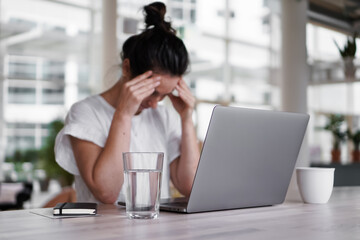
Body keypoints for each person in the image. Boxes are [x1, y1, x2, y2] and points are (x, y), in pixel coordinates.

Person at [55, 2, 200, 204]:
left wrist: (186, 118)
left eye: (164, 95)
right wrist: (123, 113)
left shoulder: (165, 117)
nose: (155, 104)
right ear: (126, 68)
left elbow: (190, 185)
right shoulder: (85, 112)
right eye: (152, 92)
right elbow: (106, 193)